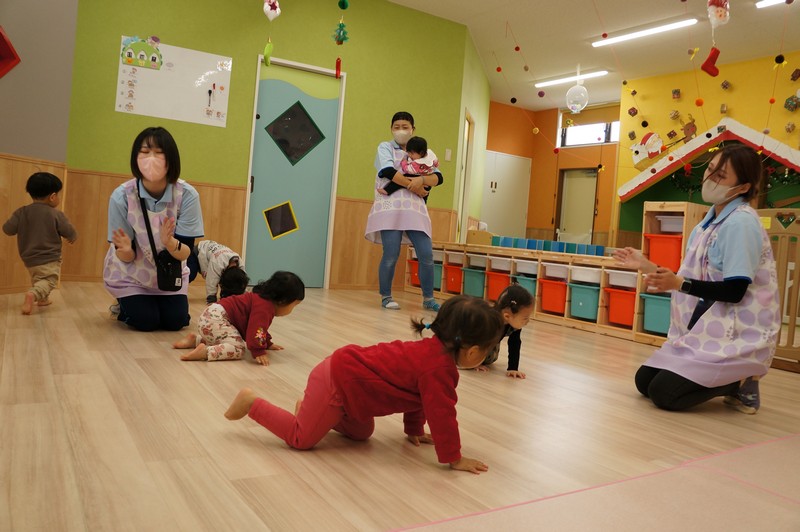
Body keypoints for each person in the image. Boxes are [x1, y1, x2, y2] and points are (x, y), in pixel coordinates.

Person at [224, 295, 504, 474]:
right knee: (301, 439)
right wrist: (454, 458)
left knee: (362, 433)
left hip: (348, 385)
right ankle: (252, 403)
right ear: (472, 352)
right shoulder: (438, 368)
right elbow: (442, 413)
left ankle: (309, 409)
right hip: (337, 381)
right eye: (488, 349)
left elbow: (419, 396)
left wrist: (414, 430)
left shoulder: (433, 354)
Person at [613, 143, 780, 414]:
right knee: (644, 382)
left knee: (664, 394)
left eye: (720, 175)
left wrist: (678, 284)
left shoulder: (741, 223)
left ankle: (740, 381)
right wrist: (647, 265)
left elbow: (735, 291)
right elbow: (690, 277)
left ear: (743, 187)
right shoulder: (708, 222)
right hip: (708, 327)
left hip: (735, 334)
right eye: (710, 169)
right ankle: (722, 378)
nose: (710, 178)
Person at [103, 126, 204, 331]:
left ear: (171, 159)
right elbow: (126, 256)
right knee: (145, 321)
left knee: (176, 322)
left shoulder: (187, 195)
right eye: (145, 152)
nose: (151, 159)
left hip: (168, 273)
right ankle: (123, 303)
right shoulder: (121, 196)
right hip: (132, 273)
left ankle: (153, 304)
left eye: (159, 153)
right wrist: (125, 250)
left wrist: (170, 243)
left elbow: (185, 251)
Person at [365, 112, 443, 312]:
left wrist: (422, 180)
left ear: (413, 129)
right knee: (391, 254)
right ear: (391, 129)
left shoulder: (425, 150)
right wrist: (414, 185)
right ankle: (386, 296)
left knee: (426, 254)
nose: (401, 130)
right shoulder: (385, 147)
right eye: (397, 127)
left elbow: (437, 178)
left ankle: (428, 298)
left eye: (405, 126)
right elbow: (388, 172)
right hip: (390, 207)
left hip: (415, 209)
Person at [173, 270, 304, 366]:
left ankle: (196, 340)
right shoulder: (265, 307)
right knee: (238, 348)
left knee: (227, 338)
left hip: (210, 316)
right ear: (283, 301)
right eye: (294, 305)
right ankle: (206, 352)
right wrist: (258, 351)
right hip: (217, 320)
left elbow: (261, 329)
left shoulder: (261, 300)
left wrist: (268, 343)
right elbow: (256, 330)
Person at [3, 172, 78, 315]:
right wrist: (72, 236)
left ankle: (43, 300)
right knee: (49, 280)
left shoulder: (21, 212)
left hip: (29, 258)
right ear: (52, 196)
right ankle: (33, 294)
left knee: (39, 278)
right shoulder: (55, 214)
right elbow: (68, 229)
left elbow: (8, 229)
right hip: (49, 257)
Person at [475, 284, 534, 379]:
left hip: (487, 343)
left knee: (491, 358)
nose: (528, 321)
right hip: (466, 339)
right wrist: (474, 362)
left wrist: (513, 368)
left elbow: (514, 343)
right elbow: (473, 338)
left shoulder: (513, 324)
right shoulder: (488, 320)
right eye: (525, 318)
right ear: (507, 316)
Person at [377, 136, 440, 202]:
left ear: (421, 153)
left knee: (400, 179)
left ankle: (387, 190)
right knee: (425, 192)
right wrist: (436, 165)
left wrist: (404, 163)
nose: (409, 155)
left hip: (416, 177)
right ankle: (424, 201)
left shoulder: (417, 164)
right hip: (427, 182)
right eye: (408, 153)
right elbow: (436, 162)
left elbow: (408, 169)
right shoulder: (429, 155)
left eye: (411, 153)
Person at [195, 239, 246, 303]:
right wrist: (211, 298)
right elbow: (211, 280)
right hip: (200, 250)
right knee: (191, 275)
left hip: (213, 252)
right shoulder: (217, 262)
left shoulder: (241, 265)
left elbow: (242, 282)